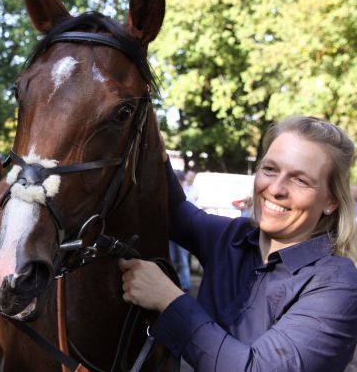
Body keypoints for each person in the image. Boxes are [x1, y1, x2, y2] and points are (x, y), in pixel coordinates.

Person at [120, 116, 357, 371]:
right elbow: (176, 210)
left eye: (300, 180)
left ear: (331, 201)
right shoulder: (233, 237)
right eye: (270, 169)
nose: (276, 188)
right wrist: (154, 146)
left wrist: (168, 300)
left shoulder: (337, 286)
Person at [168, 169, 191, 292]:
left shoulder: (185, 195)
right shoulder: (180, 194)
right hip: (173, 233)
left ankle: (185, 285)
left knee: (181, 261)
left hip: (181, 232)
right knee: (175, 260)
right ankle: (179, 285)